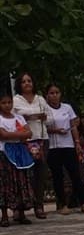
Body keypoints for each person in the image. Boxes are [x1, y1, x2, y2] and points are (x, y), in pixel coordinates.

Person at [44, 83, 84, 215]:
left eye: (57, 93)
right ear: (47, 95)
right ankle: (63, 204)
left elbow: (73, 125)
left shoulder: (67, 108)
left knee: (75, 174)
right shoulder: (45, 109)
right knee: (58, 175)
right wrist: (56, 130)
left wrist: (76, 142)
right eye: (52, 93)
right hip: (54, 146)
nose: (55, 96)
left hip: (68, 144)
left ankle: (83, 203)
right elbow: (43, 128)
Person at [13, 72, 52, 219]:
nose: (27, 84)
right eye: (23, 82)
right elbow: (15, 119)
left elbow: (49, 119)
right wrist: (30, 117)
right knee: (23, 175)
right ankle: (20, 206)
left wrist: (37, 117)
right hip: (25, 141)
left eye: (29, 81)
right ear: (19, 85)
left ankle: (39, 205)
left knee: (40, 174)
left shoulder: (40, 99)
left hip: (41, 139)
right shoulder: (16, 100)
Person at [0, 91, 35, 227]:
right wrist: (20, 134)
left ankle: (21, 212)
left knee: (21, 180)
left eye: (9, 102)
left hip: (19, 153)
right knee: (5, 183)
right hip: (4, 153)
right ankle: (4, 215)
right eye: (4, 103)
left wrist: (14, 134)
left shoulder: (19, 118)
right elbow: (3, 135)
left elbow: (29, 132)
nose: (7, 105)